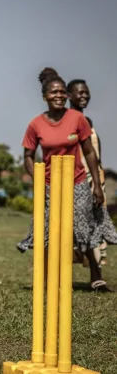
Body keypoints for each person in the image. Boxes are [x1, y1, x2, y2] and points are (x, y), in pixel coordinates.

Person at [17, 68, 117, 291]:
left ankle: (96, 276)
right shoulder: (36, 125)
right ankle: (52, 278)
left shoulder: (77, 119)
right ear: (45, 97)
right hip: (50, 185)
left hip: (77, 181)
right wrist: (38, 181)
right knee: (50, 230)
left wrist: (98, 186)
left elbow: (89, 151)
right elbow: (28, 157)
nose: (59, 95)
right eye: (54, 92)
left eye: (62, 92)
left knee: (84, 228)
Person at [68, 79, 112, 267]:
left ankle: (97, 270)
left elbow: (94, 152)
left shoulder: (88, 121)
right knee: (78, 223)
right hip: (77, 179)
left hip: (95, 178)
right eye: (80, 92)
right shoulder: (66, 121)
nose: (84, 96)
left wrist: (98, 179)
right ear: (69, 96)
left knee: (97, 220)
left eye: (86, 92)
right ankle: (82, 259)